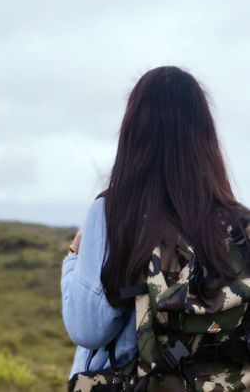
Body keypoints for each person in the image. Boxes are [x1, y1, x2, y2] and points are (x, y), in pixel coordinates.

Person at [61, 65, 250, 382]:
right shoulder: (239, 223)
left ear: (134, 131)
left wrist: (73, 259)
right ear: (205, 135)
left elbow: (88, 327)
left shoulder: (114, 211)